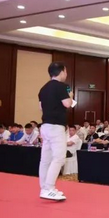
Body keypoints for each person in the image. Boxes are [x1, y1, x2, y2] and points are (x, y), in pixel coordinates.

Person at [37, 62, 74, 201]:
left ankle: (44, 188)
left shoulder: (43, 88)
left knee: (45, 159)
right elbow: (67, 104)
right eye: (66, 71)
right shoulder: (61, 87)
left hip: (45, 126)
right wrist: (70, 95)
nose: (66, 74)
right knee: (59, 158)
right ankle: (49, 188)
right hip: (56, 127)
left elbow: (41, 107)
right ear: (62, 71)